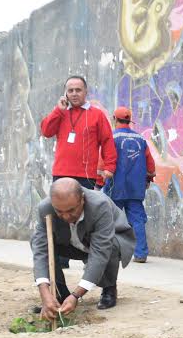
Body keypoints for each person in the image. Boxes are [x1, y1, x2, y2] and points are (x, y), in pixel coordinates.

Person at [31, 178, 135, 316]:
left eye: (71, 210)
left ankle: (109, 288)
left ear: (82, 200)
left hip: (108, 242)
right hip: (73, 243)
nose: (66, 216)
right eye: (60, 212)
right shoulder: (45, 208)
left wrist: (76, 296)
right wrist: (45, 294)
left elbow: (100, 252)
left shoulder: (99, 205)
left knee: (111, 247)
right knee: (35, 241)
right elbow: (41, 250)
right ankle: (60, 294)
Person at [39, 76, 117, 189]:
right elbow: (46, 131)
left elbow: (107, 141)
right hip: (61, 174)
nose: (74, 94)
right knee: (60, 207)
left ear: (86, 91)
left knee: (83, 207)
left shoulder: (97, 115)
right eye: (70, 91)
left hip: (85, 176)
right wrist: (58, 110)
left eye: (78, 90)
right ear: (65, 94)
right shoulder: (60, 112)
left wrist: (110, 167)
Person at [103, 106, 156, 263]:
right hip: (135, 188)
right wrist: (148, 180)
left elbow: (104, 162)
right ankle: (140, 254)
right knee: (137, 219)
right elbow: (150, 164)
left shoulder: (111, 138)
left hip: (115, 187)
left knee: (110, 219)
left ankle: (111, 252)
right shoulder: (140, 139)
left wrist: (99, 182)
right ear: (129, 120)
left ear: (114, 119)